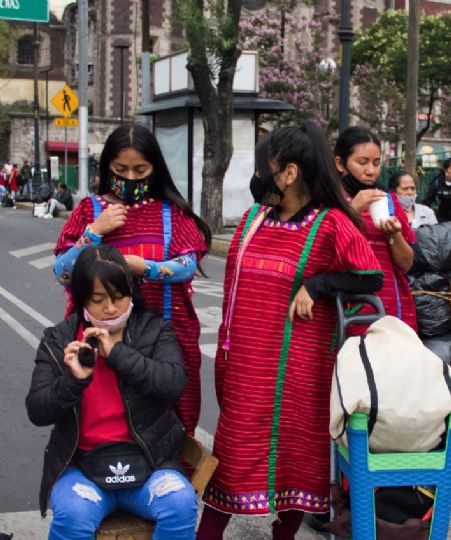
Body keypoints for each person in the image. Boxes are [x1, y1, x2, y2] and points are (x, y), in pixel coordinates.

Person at [197, 123, 383, 539]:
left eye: (267, 167)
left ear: (290, 173)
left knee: (296, 466)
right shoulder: (251, 220)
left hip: (298, 375)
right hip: (245, 370)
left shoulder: (332, 224)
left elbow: (370, 276)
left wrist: (316, 286)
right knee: (230, 461)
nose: (258, 177)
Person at [26, 245, 197, 539]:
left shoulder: (154, 330)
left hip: (150, 463)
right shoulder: (59, 340)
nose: (110, 307)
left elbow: (173, 382)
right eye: (98, 299)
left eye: (119, 296)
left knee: (180, 503)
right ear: (81, 299)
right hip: (83, 469)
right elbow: (37, 410)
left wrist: (117, 353)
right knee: (74, 515)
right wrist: (72, 380)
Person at [53, 124, 211, 436]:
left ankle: (173, 480)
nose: (132, 178)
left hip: (167, 337)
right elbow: (62, 272)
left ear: (155, 168)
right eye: (121, 169)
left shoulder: (171, 212)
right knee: (105, 418)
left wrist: (145, 268)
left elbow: (187, 265)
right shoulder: (90, 209)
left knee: (172, 420)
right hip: (101, 338)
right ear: (107, 167)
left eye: (141, 169)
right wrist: (95, 231)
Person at [334, 127, 418, 332]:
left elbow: (407, 264)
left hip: (389, 304)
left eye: (376, 163)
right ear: (340, 163)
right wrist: (352, 210)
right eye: (362, 163)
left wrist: (395, 236)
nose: (371, 171)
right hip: (345, 307)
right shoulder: (330, 200)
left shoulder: (387, 201)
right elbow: (321, 251)